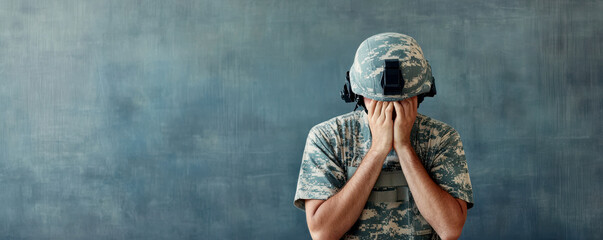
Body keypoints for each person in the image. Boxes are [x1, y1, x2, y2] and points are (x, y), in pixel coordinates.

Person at [293, 32, 474, 240]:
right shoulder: (328, 138)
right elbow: (322, 232)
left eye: (403, 100)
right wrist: (378, 150)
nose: (390, 109)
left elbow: (450, 229)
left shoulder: (442, 138)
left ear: (421, 94)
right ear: (357, 94)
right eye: (378, 101)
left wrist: (404, 147)